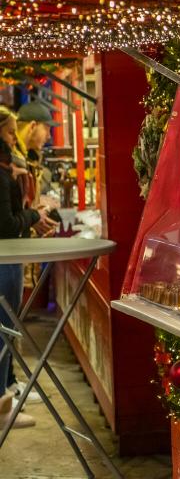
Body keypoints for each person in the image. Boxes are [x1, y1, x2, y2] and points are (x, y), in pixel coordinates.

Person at [0, 137, 56, 428]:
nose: (13, 140)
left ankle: (5, 395)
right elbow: (7, 225)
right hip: (4, 258)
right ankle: (1, 405)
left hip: (7, 257)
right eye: (9, 134)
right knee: (3, 329)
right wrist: (34, 214)